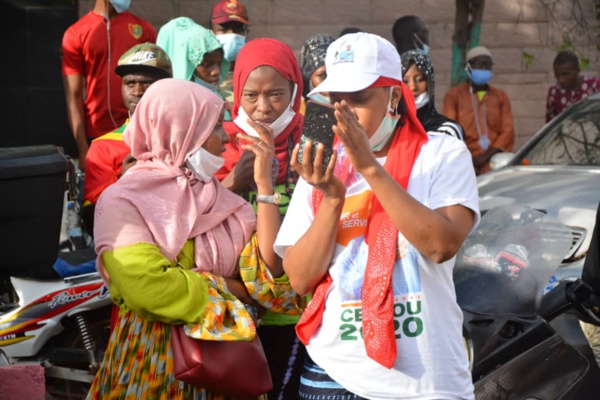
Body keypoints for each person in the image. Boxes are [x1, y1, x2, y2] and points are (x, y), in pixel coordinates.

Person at [274, 32, 479, 399]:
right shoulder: (323, 165)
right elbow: (301, 279)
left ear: (395, 96)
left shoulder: (442, 154)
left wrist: (369, 168)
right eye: (336, 99)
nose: (345, 111)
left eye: (360, 98)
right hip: (332, 374)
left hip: (423, 381)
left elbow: (440, 245)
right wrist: (333, 199)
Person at [86, 78, 305, 399]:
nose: (223, 140)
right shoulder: (123, 200)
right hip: (153, 371)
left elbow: (273, 287)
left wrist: (264, 190)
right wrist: (230, 290)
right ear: (182, 130)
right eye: (213, 128)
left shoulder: (224, 203)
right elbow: (148, 288)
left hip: (227, 372)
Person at [214, 38, 306, 399]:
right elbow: (196, 219)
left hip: (298, 314)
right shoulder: (219, 142)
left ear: (295, 91)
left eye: (276, 95)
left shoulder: (316, 139)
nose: (263, 108)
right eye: (251, 96)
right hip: (234, 311)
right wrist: (233, 181)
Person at [82, 42, 173, 235]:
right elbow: (91, 223)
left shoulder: (188, 138)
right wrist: (122, 180)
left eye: (147, 82)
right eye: (130, 83)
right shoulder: (103, 146)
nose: (137, 91)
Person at [62, 0, 156, 171]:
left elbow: (156, 85)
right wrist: (83, 150)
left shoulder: (144, 29)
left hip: (137, 133)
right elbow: (73, 95)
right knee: (98, 195)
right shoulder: (76, 33)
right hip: (96, 135)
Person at [443, 45, 514, 175]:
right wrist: (469, 160)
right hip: (464, 162)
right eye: (479, 64)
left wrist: (484, 158)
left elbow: (507, 132)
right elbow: (450, 133)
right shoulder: (454, 96)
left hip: (494, 162)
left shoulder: (501, 97)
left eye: (488, 65)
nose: (484, 68)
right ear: (468, 67)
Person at [157, 16, 230, 118]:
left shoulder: (217, 99)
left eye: (219, 63)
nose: (216, 71)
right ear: (182, 64)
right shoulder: (170, 109)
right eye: (207, 64)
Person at [401, 50, 465, 141]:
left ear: (430, 83)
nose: (412, 87)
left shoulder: (447, 131)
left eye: (419, 79)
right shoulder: (388, 133)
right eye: (405, 81)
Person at [210, 0, 250, 103]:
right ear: (211, 31)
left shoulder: (253, 72)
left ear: (246, 33)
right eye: (224, 29)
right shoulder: (204, 74)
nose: (232, 34)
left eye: (237, 29)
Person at [546, 51, 600, 122]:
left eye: (565, 74)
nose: (561, 79)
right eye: (557, 74)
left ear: (578, 70)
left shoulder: (595, 85)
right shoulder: (554, 92)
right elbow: (551, 123)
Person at [299, 33, 336, 107]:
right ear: (308, 79)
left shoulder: (354, 110)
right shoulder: (297, 113)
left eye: (336, 74)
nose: (331, 82)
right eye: (323, 76)